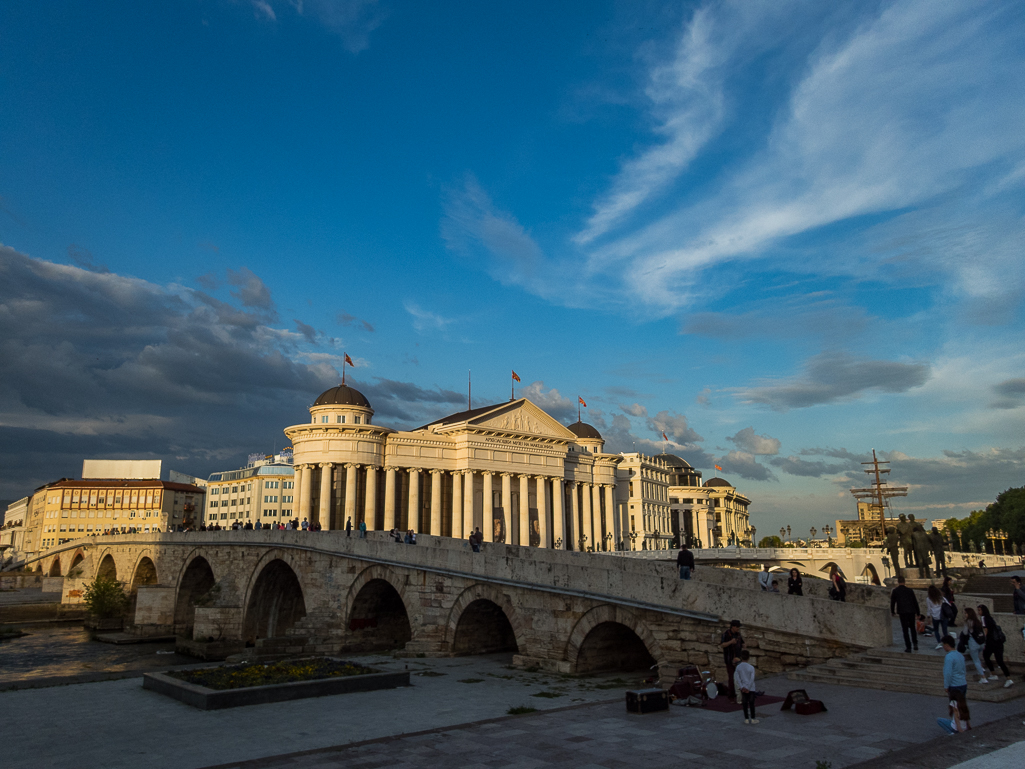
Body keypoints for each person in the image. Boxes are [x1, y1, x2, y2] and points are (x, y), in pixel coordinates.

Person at [938, 634, 970, 734]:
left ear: (947, 645)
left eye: (943, 645)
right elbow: (963, 670)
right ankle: (965, 725)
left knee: (955, 708)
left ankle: (957, 728)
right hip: (963, 683)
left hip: (954, 685)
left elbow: (947, 673)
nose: (943, 647)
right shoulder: (960, 655)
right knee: (962, 705)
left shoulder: (949, 657)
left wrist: (946, 686)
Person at [978, 605, 1013, 687]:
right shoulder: (990, 618)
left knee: (986, 656)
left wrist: (983, 640)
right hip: (998, 642)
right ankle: (1008, 678)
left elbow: (985, 630)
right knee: (1000, 661)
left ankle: (993, 674)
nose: (978, 612)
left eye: (979, 610)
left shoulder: (983, 618)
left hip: (991, 642)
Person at [890, 575, 920, 652]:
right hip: (911, 611)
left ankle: (908, 647)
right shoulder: (910, 590)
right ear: (904, 581)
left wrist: (892, 611)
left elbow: (893, 602)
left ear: (898, 582)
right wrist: (918, 612)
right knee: (912, 628)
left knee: (905, 630)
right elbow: (915, 602)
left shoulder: (895, 591)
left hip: (902, 611)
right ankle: (915, 643)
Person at [960, 607, 988, 683]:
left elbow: (965, 633)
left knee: (976, 660)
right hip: (981, 643)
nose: (965, 614)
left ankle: (983, 677)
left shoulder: (968, 622)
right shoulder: (977, 621)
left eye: (965, 613)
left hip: (973, 643)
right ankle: (981, 668)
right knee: (978, 658)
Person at [720, 620, 745, 699]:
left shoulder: (738, 634)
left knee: (740, 676)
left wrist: (744, 645)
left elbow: (742, 642)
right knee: (731, 677)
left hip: (738, 658)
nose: (738, 628)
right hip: (729, 658)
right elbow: (722, 644)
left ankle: (740, 693)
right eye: (737, 627)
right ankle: (731, 695)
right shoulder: (726, 634)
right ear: (733, 627)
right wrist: (731, 642)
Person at [733, 649, 758, 725]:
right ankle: (753, 718)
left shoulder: (738, 667)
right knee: (751, 703)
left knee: (744, 703)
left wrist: (742, 687)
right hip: (751, 688)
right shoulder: (751, 667)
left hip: (743, 687)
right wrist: (748, 687)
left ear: (741, 657)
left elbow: (738, 678)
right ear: (749, 658)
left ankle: (746, 718)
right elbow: (752, 678)